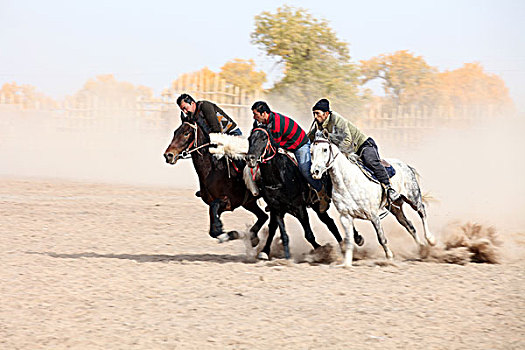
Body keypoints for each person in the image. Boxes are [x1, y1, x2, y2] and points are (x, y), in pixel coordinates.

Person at [307, 98, 401, 203]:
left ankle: (389, 188)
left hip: (363, 146)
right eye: (314, 114)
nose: (315, 117)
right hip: (347, 151)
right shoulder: (319, 125)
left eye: (317, 113)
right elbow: (309, 138)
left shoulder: (338, 121)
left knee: (370, 161)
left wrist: (339, 154)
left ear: (326, 113)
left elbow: (347, 140)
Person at [251, 101, 330, 212]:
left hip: (299, 145)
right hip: (285, 144)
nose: (254, 117)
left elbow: (273, 145)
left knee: (305, 170)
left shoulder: (276, 124)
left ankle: (322, 193)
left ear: (264, 114)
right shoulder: (260, 122)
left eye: (256, 114)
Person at [176, 93, 242, 136]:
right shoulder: (191, 116)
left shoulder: (205, 106)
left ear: (192, 103)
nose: (185, 111)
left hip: (232, 133)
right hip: (219, 137)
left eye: (185, 108)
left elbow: (216, 129)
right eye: (182, 110)